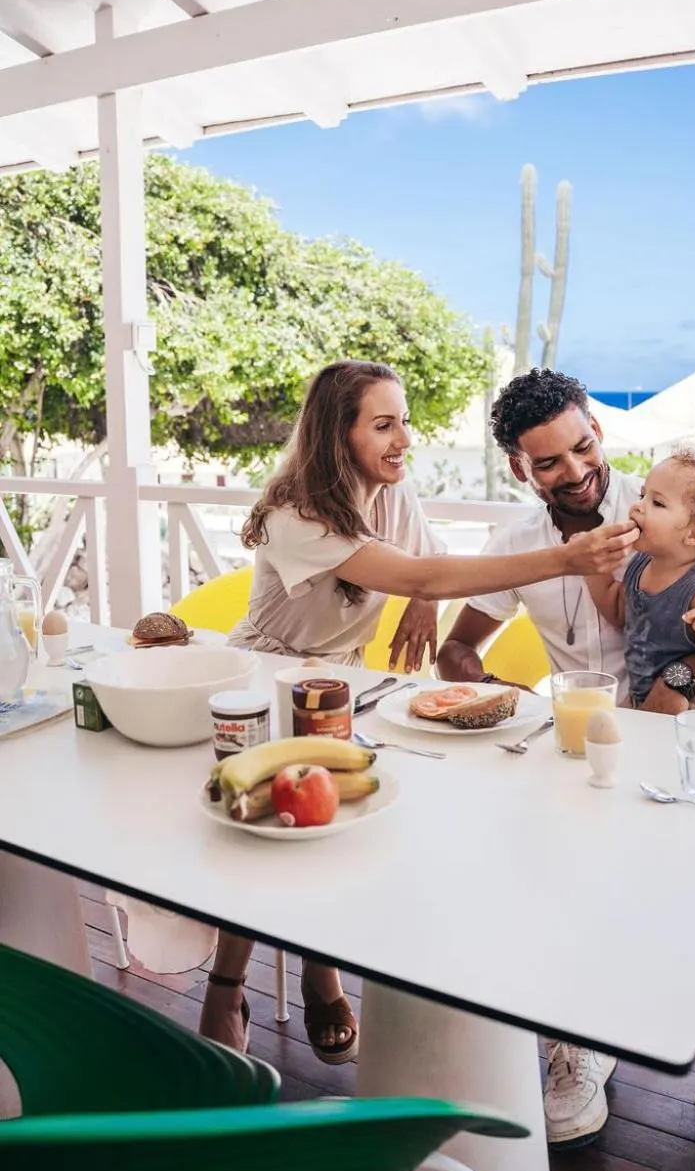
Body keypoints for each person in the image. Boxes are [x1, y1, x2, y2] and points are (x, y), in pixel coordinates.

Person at [201, 359, 638, 1063]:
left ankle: (322, 968)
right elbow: (420, 570)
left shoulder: (388, 491)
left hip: (346, 687)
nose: (403, 438)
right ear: (336, 435)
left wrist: (425, 602)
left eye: (404, 420)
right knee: (262, 837)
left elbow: (426, 563)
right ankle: (225, 986)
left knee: (343, 831)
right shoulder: (296, 515)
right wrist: (560, 560)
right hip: (272, 679)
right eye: (383, 424)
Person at [437, 369, 695, 1171]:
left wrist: (685, 675)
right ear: (518, 468)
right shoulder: (521, 544)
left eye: (583, 446)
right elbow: (458, 652)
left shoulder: (667, 502)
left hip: (682, 720)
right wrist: (508, 703)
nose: (575, 472)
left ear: (598, 430)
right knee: (524, 840)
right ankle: (579, 1030)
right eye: (548, 463)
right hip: (585, 742)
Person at [586, 449, 695, 707]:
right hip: (648, 694)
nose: (638, 506)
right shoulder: (641, 564)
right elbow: (619, 612)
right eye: (643, 495)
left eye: (657, 503)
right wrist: (591, 567)